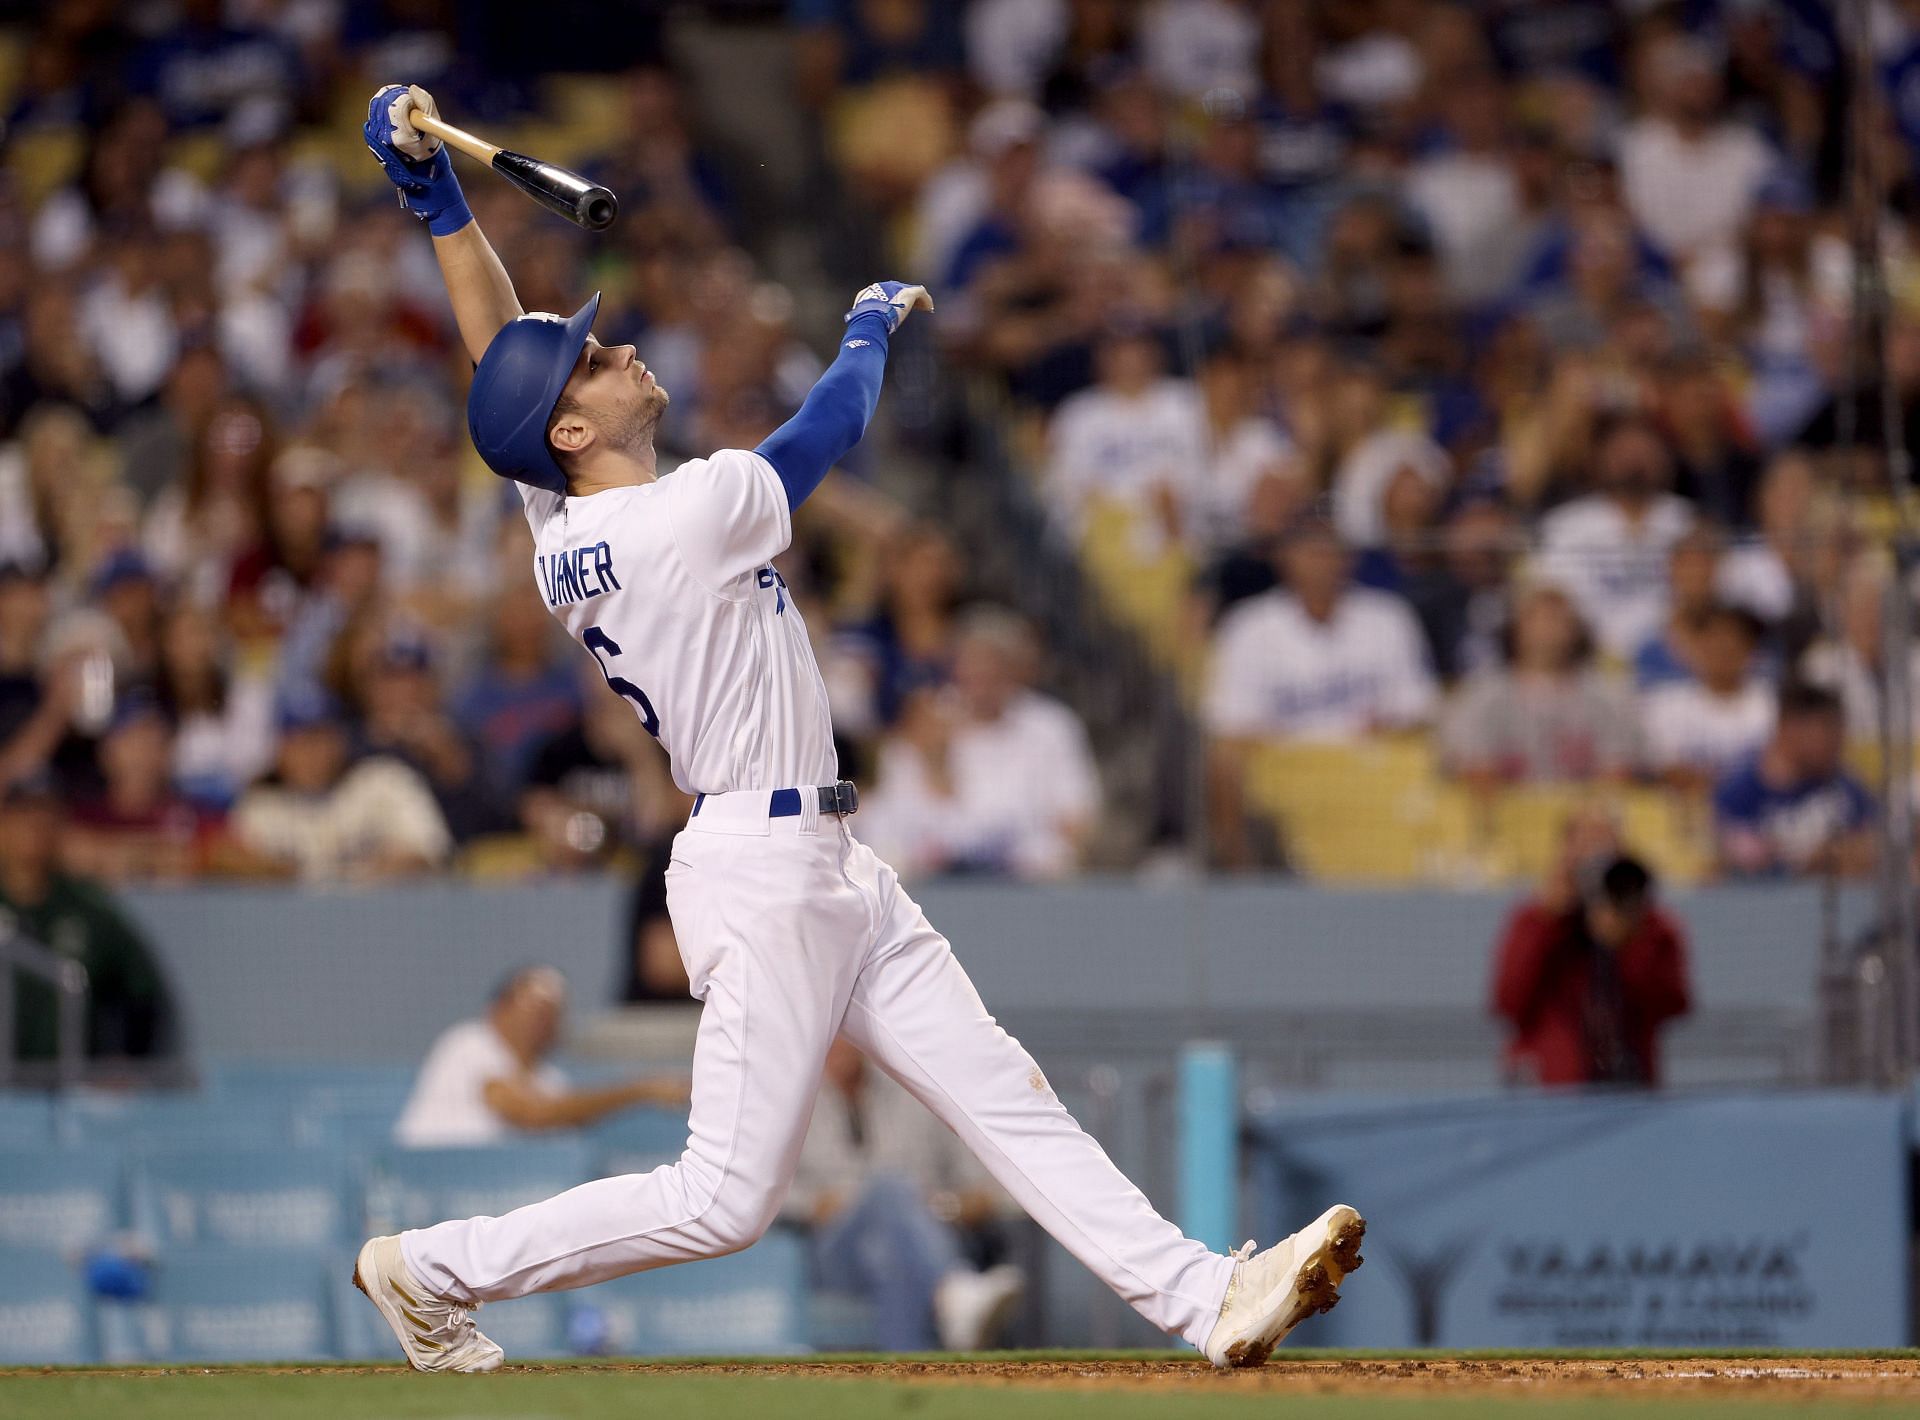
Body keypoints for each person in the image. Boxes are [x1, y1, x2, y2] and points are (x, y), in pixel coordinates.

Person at [351, 83, 1362, 1376]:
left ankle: (1201, 1291)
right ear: (571, 430)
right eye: (595, 364)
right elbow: (814, 441)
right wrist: (869, 334)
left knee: (998, 1087)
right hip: (760, 869)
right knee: (721, 1201)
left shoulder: (567, 519)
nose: (618, 353)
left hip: (821, 857)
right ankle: (432, 1269)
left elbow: (504, 359)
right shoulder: (676, 515)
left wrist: (432, 199)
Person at [785, 1037, 1025, 1352]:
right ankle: (953, 1289)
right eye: (826, 1032)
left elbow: (986, 1189)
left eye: (844, 1032)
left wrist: (938, 1209)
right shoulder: (791, 1100)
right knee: (887, 1188)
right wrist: (814, 1204)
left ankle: (911, 1387)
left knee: (890, 1257)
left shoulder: (917, 1090)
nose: (837, 1045)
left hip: (929, 1233)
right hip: (836, 1247)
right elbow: (766, 1191)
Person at [393, 966, 684, 1149]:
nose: (542, 1020)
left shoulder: (551, 1080)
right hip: (427, 1187)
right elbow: (530, 1113)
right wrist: (639, 1090)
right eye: (532, 1008)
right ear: (498, 1010)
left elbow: (564, 1116)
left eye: (552, 1012)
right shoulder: (468, 1043)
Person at [1, 774, 175, 1066]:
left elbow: (142, 993)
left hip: (69, 1087)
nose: (33, 830)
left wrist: (127, 1066)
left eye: (45, 818)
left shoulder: (89, 909)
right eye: (22, 817)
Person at [1491, 852, 1693, 1087]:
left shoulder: (1650, 929)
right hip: (1555, 1089)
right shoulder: (1538, 922)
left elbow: (1673, 1003)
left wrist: (1628, 944)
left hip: (1632, 1083)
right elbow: (1508, 1002)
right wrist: (1548, 921)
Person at [1439, 581, 1642, 785]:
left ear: (1576, 631)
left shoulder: (1606, 696)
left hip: (1584, 813)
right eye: (1536, 618)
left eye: (1557, 619)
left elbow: (1617, 774)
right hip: (1508, 813)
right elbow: (1474, 774)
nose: (1546, 629)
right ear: (1515, 627)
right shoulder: (1481, 695)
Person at [1714, 681, 1875, 880]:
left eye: (1837, 729)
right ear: (1786, 728)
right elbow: (1738, 863)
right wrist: (1809, 860)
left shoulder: (1846, 787)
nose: (1835, 741)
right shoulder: (1740, 790)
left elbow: (1872, 846)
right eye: (1823, 729)